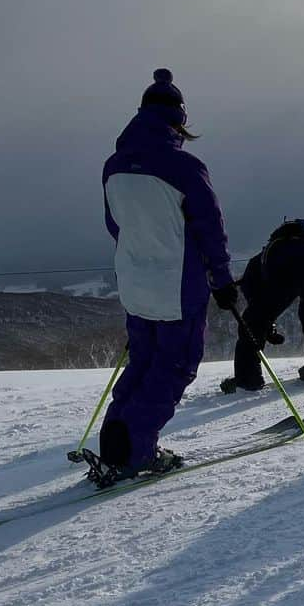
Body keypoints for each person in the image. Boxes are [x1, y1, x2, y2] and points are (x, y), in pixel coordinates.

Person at [89, 69, 236, 485]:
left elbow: (115, 224)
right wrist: (222, 280)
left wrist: (142, 254)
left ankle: (115, 444)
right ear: (179, 120)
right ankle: (137, 453)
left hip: (135, 285)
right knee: (174, 365)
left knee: (143, 362)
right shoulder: (184, 166)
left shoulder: (113, 166)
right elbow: (210, 226)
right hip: (177, 287)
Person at [220, 218, 304, 393]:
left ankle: (248, 380)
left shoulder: (267, 254)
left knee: (252, 322)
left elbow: (255, 300)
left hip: (284, 273)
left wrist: (266, 324)